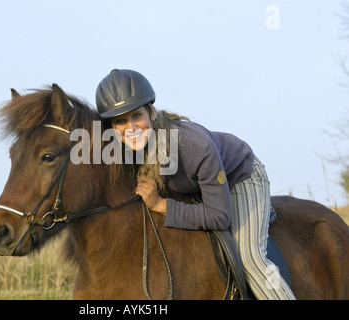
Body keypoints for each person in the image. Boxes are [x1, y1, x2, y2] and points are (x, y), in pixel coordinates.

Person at [95, 68, 296, 300]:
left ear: (152, 112)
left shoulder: (195, 147)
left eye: (136, 116)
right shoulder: (123, 148)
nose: (130, 127)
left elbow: (219, 216)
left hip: (240, 178)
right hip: (196, 187)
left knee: (251, 260)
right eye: (120, 120)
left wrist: (160, 205)